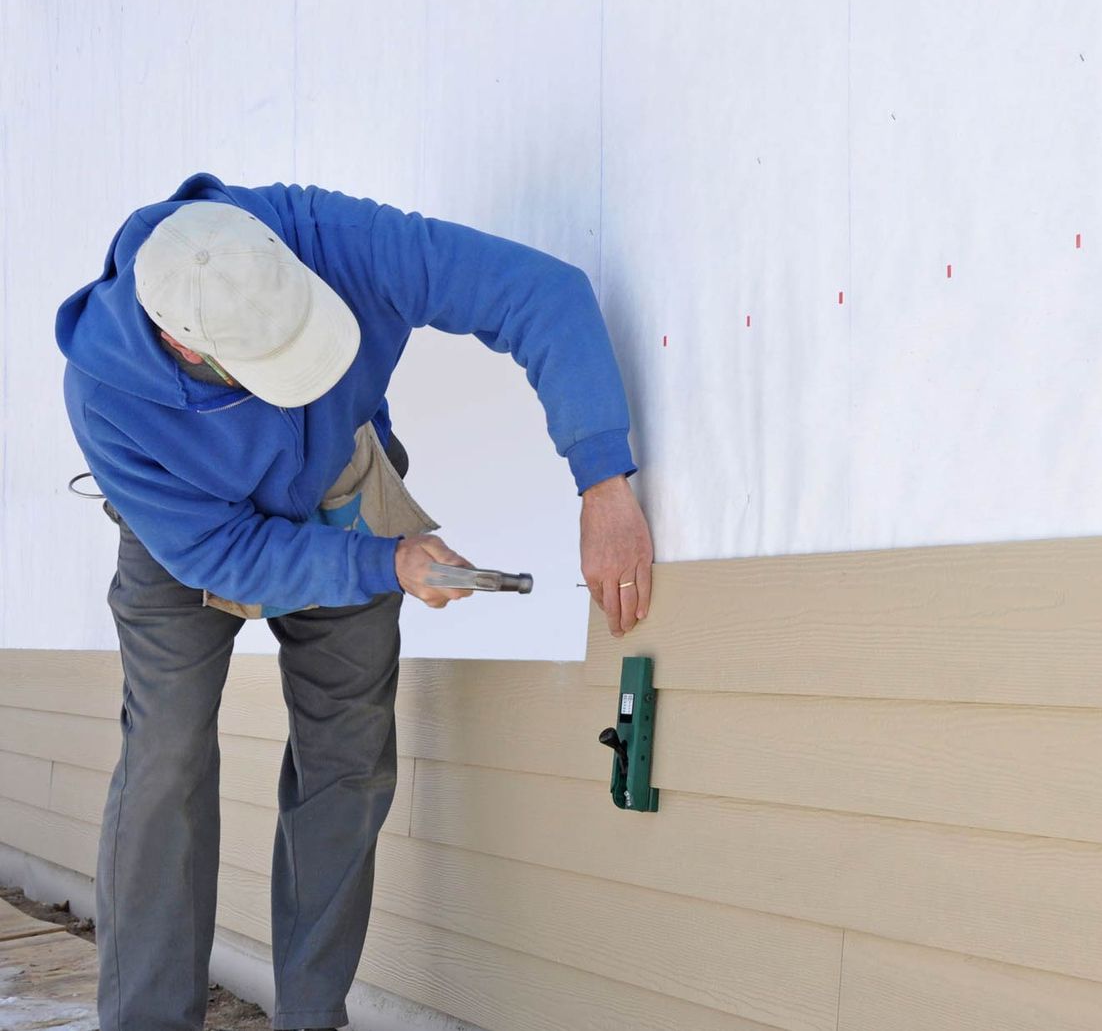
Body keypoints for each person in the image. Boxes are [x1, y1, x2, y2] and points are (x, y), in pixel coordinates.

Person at [55, 173, 654, 1031]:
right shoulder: (107, 397)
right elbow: (230, 555)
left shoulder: (336, 236)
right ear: (188, 347)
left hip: (342, 473)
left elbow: (542, 293)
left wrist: (604, 481)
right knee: (164, 758)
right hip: (187, 529)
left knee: (349, 757)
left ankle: (311, 1017)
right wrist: (387, 565)